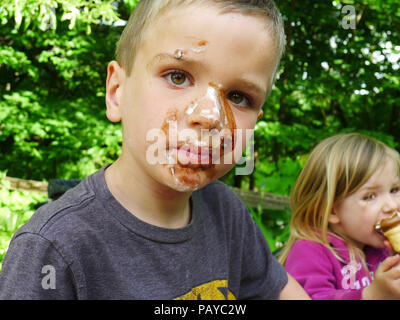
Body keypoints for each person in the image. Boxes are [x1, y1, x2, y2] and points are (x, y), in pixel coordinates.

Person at [0, 0, 309, 299]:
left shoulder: (226, 213)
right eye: (178, 76)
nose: (209, 115)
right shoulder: (53, 246)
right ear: (117, 92)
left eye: (239, 97)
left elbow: (279, 290)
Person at [278, 133, 400, 300]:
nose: (392, 206)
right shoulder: (310, 252)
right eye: (370, 196)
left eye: (394, 190)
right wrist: (371, 295)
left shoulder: (380, 248)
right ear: (332, 211)